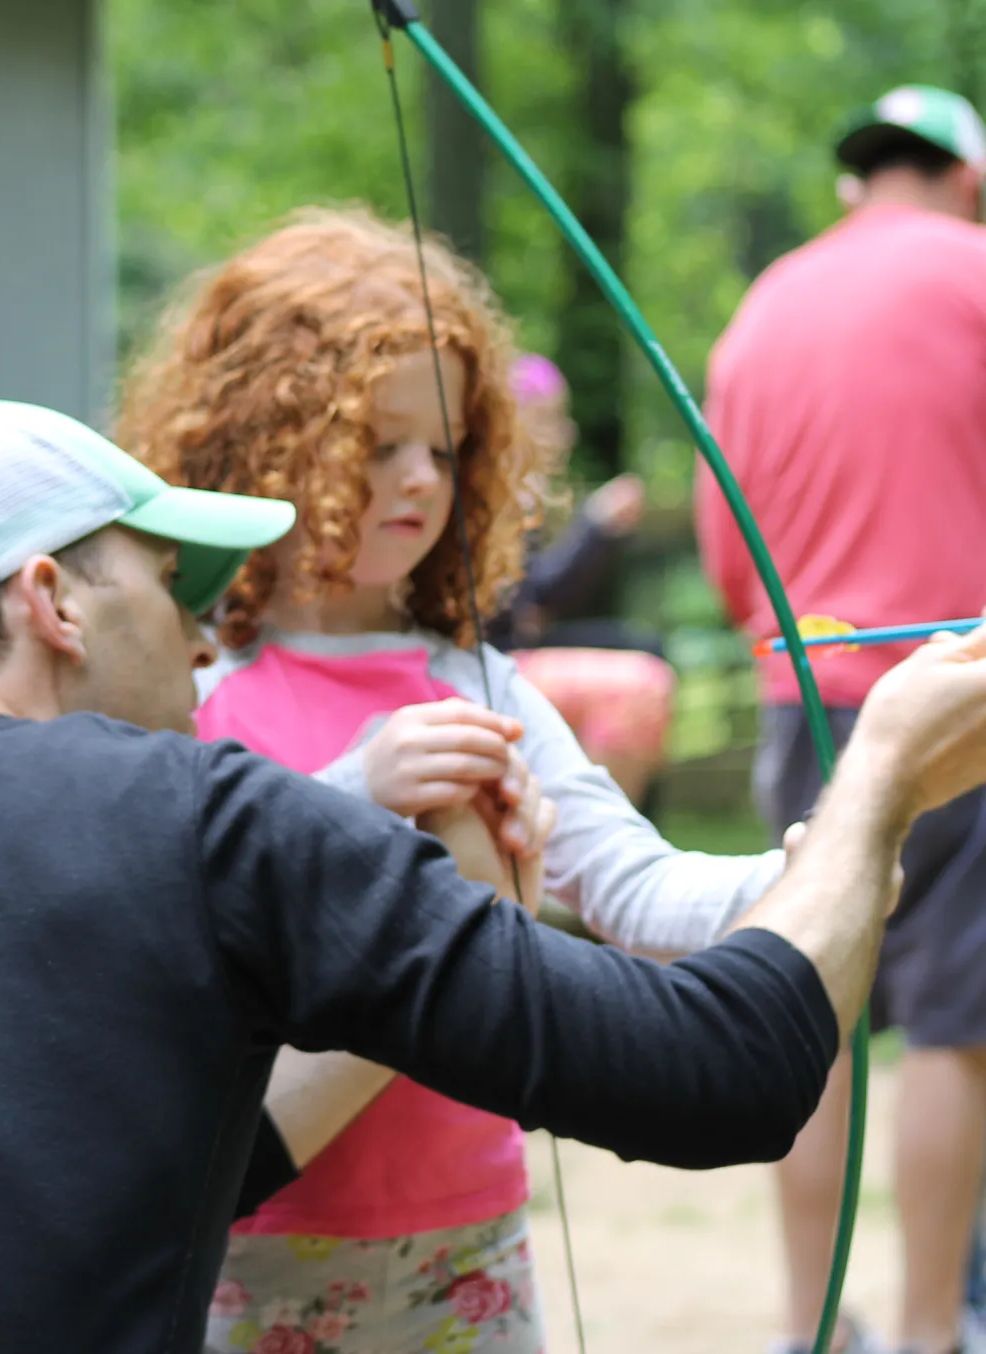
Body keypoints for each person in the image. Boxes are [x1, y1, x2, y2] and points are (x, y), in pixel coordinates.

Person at [0, 399, 971, 1351]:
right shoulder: (198, 809)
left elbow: (202, 1161)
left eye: (444, 445)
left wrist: (803, 876)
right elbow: (719, 1069)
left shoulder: (442, 699)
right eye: (170, 581)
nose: (199, 634)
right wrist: (877, 783)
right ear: (52, 603)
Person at [115, 206, 790, 1352]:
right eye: (375, 444)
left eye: (444, 445)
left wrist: (809, 866)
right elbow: (162, 923)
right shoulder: (190, 676)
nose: (418, 478)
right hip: (251, 1241)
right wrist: (349, 790)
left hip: (465, 1238)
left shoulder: (481, 683)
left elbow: (638, 893)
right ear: (263, 439)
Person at [697, 84, 986, 1354]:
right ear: (965, 178)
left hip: (801, 698)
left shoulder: (760, 310)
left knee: (814, 1006)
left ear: (850, 183)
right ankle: (932, 1333)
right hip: (959, 694)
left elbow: (725, 552)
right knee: (957, 1025)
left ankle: (811, 1329)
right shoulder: (975, 271)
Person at [486, 352, 674, 808]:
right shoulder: (494, 497)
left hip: (517, 645)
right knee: (644, 678)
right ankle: (601, 831)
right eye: (548, 421)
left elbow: (539, 601)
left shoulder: (521, 496)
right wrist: (593, 527)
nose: (565, 434)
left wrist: (599, 532)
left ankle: (630, 826)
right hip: (494, 657)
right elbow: (533, 601)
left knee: (649, 646)